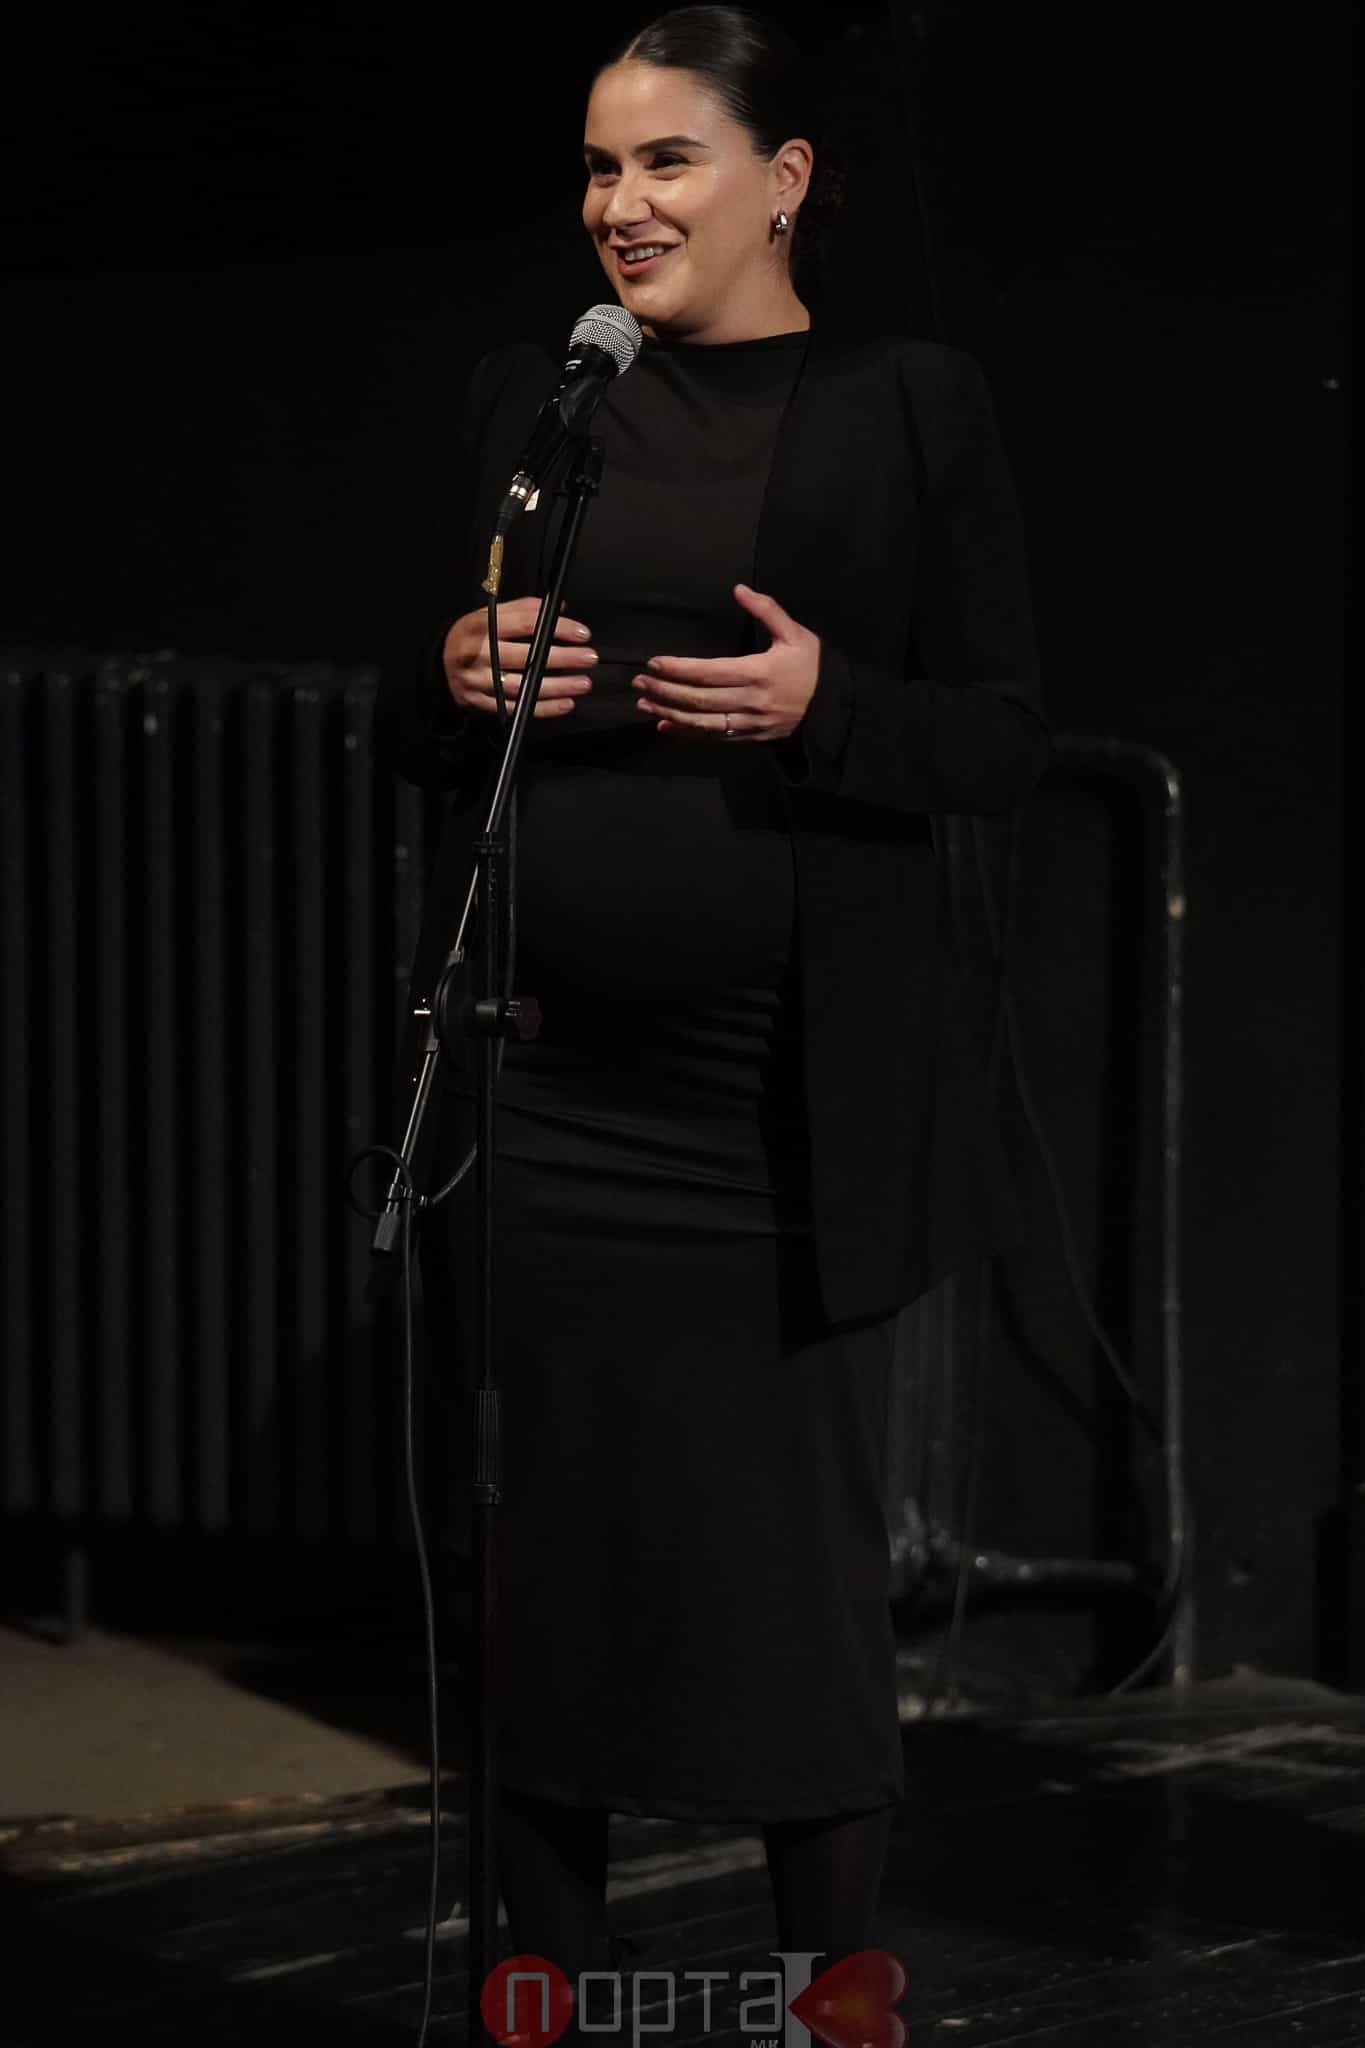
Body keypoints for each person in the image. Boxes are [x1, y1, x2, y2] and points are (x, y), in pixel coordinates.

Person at [372, 0, 1049, 2015]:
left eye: (667, 158)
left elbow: (998, 738)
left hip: (769, 1117)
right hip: (546, 1099)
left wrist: (825, 703)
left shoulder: (908, 403)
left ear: (784, 180)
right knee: (545, 1579)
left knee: (781, 1588)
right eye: (599, 165)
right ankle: (550, 1995)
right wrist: (446, 670)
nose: (622, 203)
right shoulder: (536, 398)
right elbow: (412, 721)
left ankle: (826, 1995)